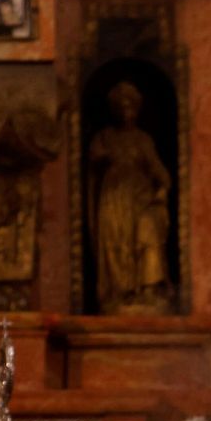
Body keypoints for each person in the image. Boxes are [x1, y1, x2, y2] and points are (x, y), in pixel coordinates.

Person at [87, 81, 173, 314]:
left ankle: (143, 289)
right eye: (121, 107)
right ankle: (119, 292)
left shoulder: (143, 140)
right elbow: (93, 158)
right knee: (115, 242)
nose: (126, 112)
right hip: (113, 199)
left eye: (130, 107)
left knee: (144, 239)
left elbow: (161, 173)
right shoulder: (104, 137)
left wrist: (162, 191)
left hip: (139, 198)